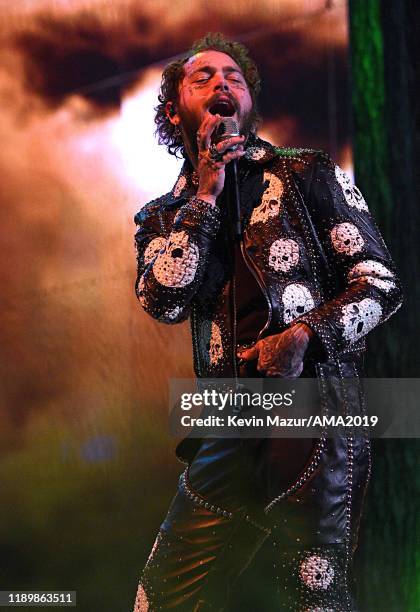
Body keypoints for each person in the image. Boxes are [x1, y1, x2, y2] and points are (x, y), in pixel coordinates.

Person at [132, 33, 402, 611]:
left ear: (248, 101)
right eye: (202, 77)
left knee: (311, 594)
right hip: (225, 419)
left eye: (234, 77)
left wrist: (304, 337)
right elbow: (163, 299)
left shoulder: (307, 174)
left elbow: (381, 284)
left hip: (313, 407)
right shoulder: (162, 214)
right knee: (165, 597)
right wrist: (204, 196)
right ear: (173, 109)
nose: (222, 84)